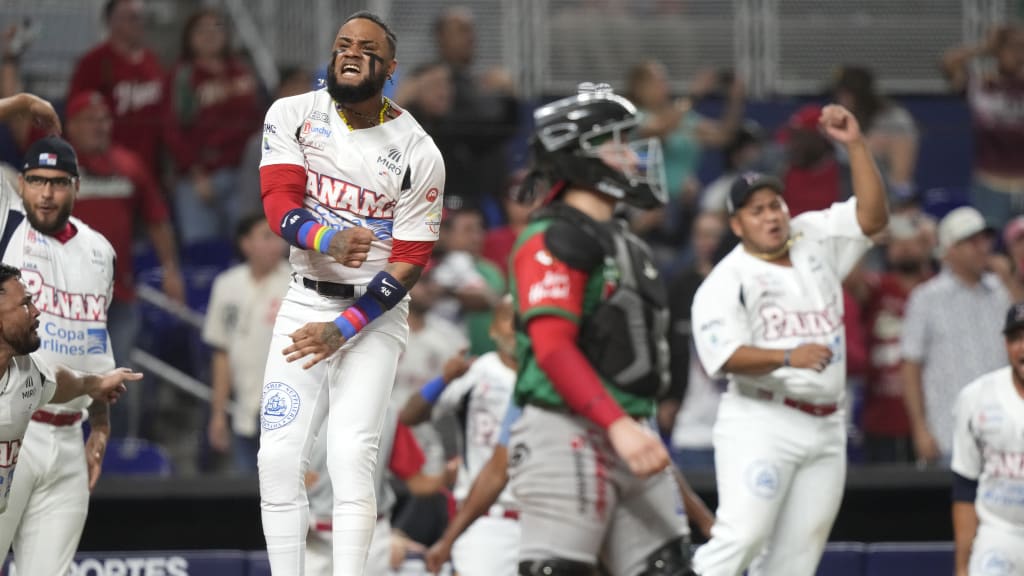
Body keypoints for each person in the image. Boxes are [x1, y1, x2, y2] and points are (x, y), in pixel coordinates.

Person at [257, 11, 445, 574]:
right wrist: (327, 238)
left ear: (389, 68)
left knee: (350, 455)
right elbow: (279, 206)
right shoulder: (293, 113)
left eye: (366, 48)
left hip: (375, 313)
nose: (351, 52)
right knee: (278, 456)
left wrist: (341, 330)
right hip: (305, 297)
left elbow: (410, 265)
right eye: (343, 43)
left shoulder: (418, 151)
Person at [690, 104, 888, 575]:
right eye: (756, 210)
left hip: (826, 424)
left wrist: (856, 145)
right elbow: (725, 357)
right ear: (737, 225)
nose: (771, 216)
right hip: (763, 419)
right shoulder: (726, 279)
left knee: (796, 561)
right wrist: (787, 355)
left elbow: (873, 219)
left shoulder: (811, 236)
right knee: (740, 539)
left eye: (775, 205)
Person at [504, 82, 692, 576]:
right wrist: (617, 425)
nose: (633, 156)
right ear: (580, 156)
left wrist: (628, 427)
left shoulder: (625, 240)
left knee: (669, 568)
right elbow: (552, 349)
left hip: (630, 427)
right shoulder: (551, 237)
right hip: (567, 429)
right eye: (618, 142)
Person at [0, 135, 122, 576]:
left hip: (71, 435)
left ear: (77, 186)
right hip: (13, 428)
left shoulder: (100, 250)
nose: (46, 194)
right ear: (20, 184)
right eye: (35, 181)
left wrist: (101, 426)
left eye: (57, 182)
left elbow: (96, 343)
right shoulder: (7, 225)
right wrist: (27, 102)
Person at [0, 263, 141, 569]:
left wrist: (97, 383)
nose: (37, 311)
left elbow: (61, 381)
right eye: (24, 304)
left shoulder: (26, 373)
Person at [63, 91, 184, 438]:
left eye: (104, 120)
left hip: (118, 297)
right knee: (65, 381)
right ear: (71, 125)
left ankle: (119, 456)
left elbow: (158, 220)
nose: (99, 127)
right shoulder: (57, 171)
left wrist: (171, 270)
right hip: (64, 300)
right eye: (90, 120)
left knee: (118, 379)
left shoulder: (129, 165)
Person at [399, 295, 519, 576]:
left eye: (522, 319)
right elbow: (410, 416)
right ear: (492, 329)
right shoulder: (477, 373)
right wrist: (443, 380)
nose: (515, 326)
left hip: (543, 516)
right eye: (507, 317)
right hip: (487, 521)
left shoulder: (549, 375)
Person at [902, 206, 1010, 465]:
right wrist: (920, 429)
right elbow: (910, 368)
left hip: (1004, 436)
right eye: (972, 242)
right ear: (949, 249)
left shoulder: (1001, 293)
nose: (983, 247)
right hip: (948, 436)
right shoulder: (925, 298)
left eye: (985, 240)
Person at [304, 410, 452, 575]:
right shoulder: (297, 402)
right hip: (311, 535)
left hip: (369, 536)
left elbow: (421, 484)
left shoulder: (385, 409)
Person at [164, 7, 261, 247]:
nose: (210, 35)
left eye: (216, 28)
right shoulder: (184, 75)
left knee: (245, 246)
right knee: (202, 249)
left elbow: (259, 119)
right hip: (199, 179)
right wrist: (196, 173)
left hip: (242, 176)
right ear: (189, 37)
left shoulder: (242, 70)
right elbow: (171, 129)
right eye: (201, 30)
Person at [204, 214, 289, 475]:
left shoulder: (297, 283)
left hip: (288, 411)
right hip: (243, 410)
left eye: (278, 236)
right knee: (245, 500)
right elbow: (221, 352)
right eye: (266, 236)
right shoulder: (226, 284)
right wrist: (218, 413)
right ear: (246, 244)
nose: (276, 244)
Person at [951, 302, 1024, 576]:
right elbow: (964, 486)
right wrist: (962, 565)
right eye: (1016, 338)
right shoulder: (976, 397)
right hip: (999, 531)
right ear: (1006, 344)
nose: (1023, 347)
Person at [859, 213, 934, 463]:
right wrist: (864, 241)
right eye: (897, 243)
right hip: (881, 416)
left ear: (925, 246)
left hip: (932, 415)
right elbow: (847, 279)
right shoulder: (877, 286)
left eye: (912, 242)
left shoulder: (938, 289)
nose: (904, 249)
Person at [660, 212, 727, 471]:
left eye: (714, 235)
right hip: (690, 424)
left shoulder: (741, 284)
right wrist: (667, 396)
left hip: (738, 422)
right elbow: (665, 343)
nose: (708, 242)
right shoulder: (679, 287)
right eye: (701, 234)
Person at [68, 0, 165, 177]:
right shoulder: (93, 62)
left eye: (141, 18)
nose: (139, 23)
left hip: (152, 162)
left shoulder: (152, 60)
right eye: (132, 18)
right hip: (111, 166)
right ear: (112, 21)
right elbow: (76, 115)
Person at [942, 24, 1024, 230]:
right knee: (988, 246)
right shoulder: (980, 87)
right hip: (990, 185)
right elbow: (949, 62)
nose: (1017, 53)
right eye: (1011, 47)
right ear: (998, 51)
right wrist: (985, 47)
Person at [831, 65, 919, 204]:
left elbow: (901, 179)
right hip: (846, 203)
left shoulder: (894, 121)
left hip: (886, 204)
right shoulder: (838, 122)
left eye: (846, 94)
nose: (841, 99)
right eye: (840, 94)